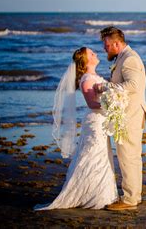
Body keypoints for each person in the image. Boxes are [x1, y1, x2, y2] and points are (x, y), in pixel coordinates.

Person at [35, 47, 118, 210]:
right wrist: (112, 104)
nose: (95, 54)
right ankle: (93, 195)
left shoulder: (93, 76)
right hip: (95, 122)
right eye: (91, 54)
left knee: (102, 156)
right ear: (86, 61)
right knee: (94, 156)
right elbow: (91, 103)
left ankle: (102, 193)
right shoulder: (87, 79)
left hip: (100, 120)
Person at [95, 26, 146, 211]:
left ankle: (129, 200)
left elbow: (133, 85)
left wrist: (106, 87)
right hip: (131, 113)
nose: (104, 49)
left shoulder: (130, 59)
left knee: (128, 157)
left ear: (117, 44)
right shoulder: (124, 57)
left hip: (131, 115)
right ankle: (133, 196)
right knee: (131, 156)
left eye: (106, 45)